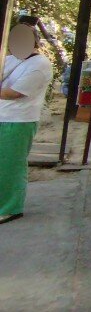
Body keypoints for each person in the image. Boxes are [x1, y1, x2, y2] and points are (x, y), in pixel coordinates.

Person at [0, 19, 54, 224]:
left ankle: (10, 207)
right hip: (4, 117)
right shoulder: (13, 59)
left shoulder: (40, 65)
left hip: (17, 121)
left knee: (9, 165)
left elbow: (14, 92)